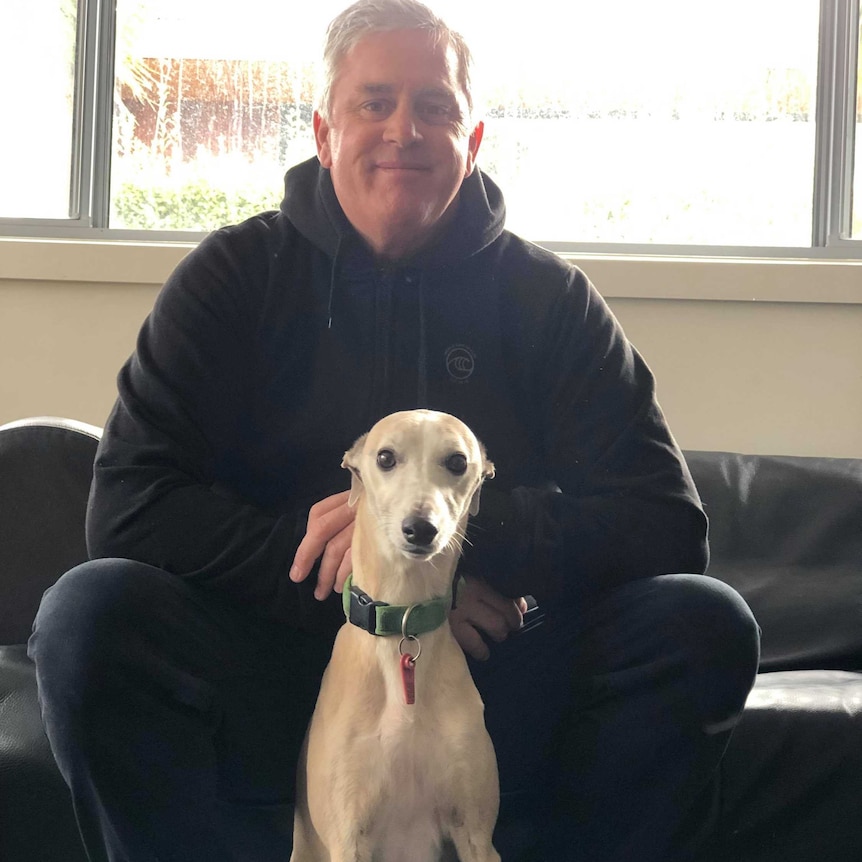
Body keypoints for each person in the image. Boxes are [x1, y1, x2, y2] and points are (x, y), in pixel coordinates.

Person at [28, 1, 760, 860]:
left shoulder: (549, 301)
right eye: (373, 103)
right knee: (88, 615)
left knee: (702, 623)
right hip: (272, 651)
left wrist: (460, 557)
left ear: (474, 137)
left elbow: (668, 522)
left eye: (435, 107)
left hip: (482, 666)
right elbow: (126, 506)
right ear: (323, 131)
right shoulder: (229, 279)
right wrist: (348, 575)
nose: (403, 130)